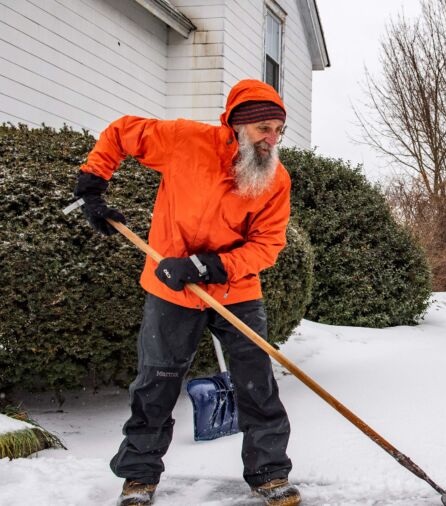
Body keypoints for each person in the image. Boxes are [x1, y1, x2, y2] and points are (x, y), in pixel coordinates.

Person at [74, 80, 300, 506]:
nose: (273, 140)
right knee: (155, 382)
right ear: (237, 125)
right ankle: (138, 476)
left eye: (278, 130)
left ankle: (270, 473)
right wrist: (92, 185)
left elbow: (267, 245)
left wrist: (209, 266)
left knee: (256, 383)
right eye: (264, 129)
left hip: (235, 289)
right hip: (171, 291)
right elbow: (122, 131)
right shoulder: (184, 141)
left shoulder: (276, 179)